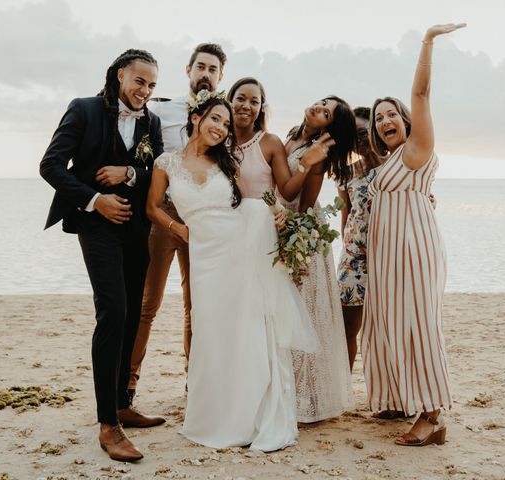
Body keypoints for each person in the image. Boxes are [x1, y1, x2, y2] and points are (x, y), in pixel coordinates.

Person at [146, 94, 317, 451]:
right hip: (204, 253)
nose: (221, 128)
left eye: (225, 124)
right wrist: (180, 231)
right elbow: (152, 208)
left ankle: (249, 414)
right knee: (210, 330)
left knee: (244, 329)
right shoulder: (166, 163)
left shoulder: (227, 164)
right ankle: (212, 414)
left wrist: (273, 214)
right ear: (196, 118)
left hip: (238, 251)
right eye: (215, 120)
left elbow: (247, 205)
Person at [39, 49, 166, 462]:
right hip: (96, 226)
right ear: (119, 76)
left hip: (136, 229)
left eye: (151, 85)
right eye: (139, 81)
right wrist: (95, 199)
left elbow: (158, 172)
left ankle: (123, 403)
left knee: (131, 313)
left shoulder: (152, 122)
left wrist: (129, 173)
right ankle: (107, 424)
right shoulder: (84, 109)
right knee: (112, 311)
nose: (145, 91)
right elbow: (51, 165)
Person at [361, 23, 466, 446]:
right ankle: (400, 399)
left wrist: (426, 43)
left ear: (406, 120)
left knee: (418, 327)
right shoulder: (387, 161)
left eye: (392, 113)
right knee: (387, 323)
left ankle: (432, 414)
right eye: (379, 116)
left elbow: (422, 94)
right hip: (386, 256)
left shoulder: (415, 150)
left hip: (413, 251)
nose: (385, 119)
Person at [128, 43, 226, 400]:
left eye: (213, 69)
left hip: (204, 222)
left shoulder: (222, 119)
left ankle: (194, 383)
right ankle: (128, 384)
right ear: (188, 70)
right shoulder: (159, 110)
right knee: (146, 304)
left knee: (196, 306)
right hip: (164, 214)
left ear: (220, 77)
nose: (206, 73)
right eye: (201, 66)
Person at [279, 96, 357, 423]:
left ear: (329, 127)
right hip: (277, 222)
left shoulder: (319, 155)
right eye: (321, 103)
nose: (318, 108)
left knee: (302, 315)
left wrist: (290, 242)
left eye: (326, 113)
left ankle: (304, 398)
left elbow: (305, 205)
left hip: (300, 232)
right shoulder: (291, 135)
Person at [336, 107, 383, 371]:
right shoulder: (345, 172)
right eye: (353, 136)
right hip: (353, 259)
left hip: (386, 255)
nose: (359, 141)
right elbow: (346, 218)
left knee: (383, 331)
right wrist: (346, 253)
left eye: (364, 133)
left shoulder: (392, 167)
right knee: (346, 329)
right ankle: (343, 390)